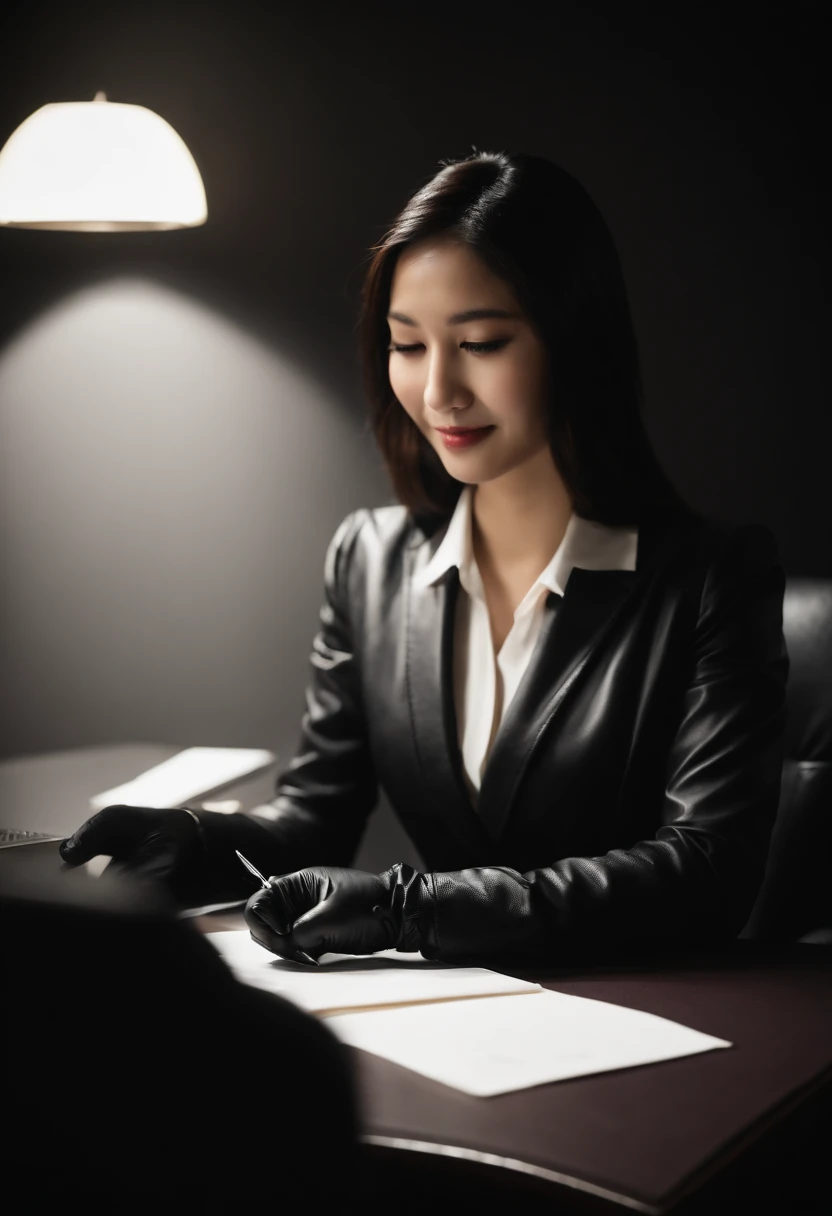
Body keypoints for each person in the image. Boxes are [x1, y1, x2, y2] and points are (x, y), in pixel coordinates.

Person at [60, 150, 789, 968]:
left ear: (574, 343)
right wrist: (190, 844)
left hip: (661, 1023)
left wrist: (410, 910)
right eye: (407, 345)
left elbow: (710, 869)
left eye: (480, 342)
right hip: (458, 1027)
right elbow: (315, 822)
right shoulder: (369, 559)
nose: (438, 390)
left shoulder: (711, 577)